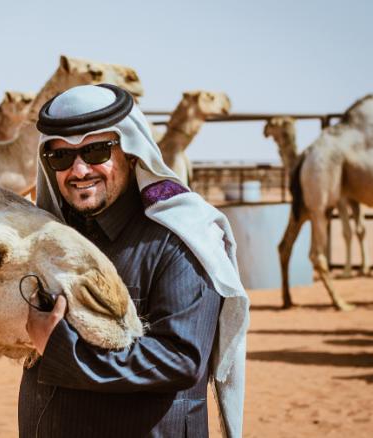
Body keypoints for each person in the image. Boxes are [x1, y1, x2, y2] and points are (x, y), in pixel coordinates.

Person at [20, 84, 249, 438]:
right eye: (61, 157)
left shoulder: (180, 237)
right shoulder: (51, 239)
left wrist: (59, 350)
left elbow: (179, 359)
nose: (79, 171)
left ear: (130, 153)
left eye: (96, 151)